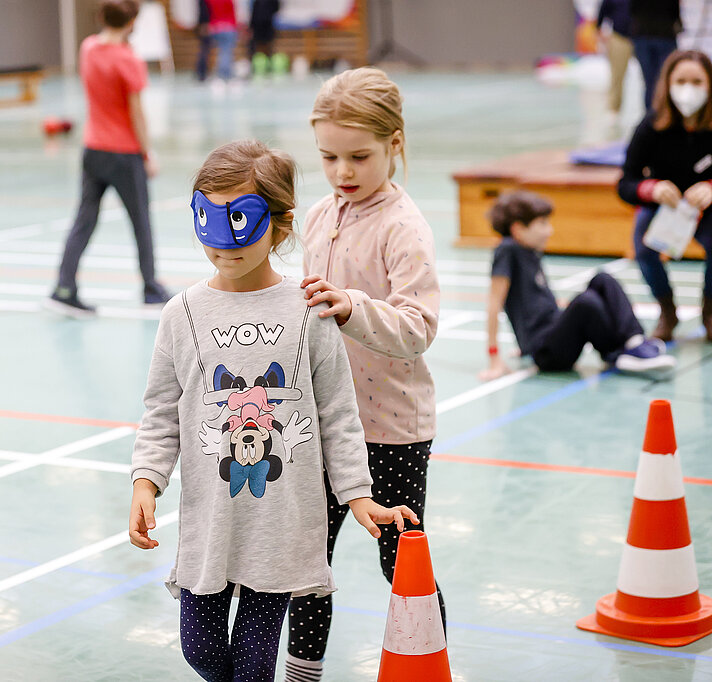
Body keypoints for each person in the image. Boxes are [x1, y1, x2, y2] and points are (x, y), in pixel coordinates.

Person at [129, 139, 418, 682]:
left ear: (280, 226)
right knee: (201, 651)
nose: (223, 242)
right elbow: (161, 410)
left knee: (256, 667)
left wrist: (358, 496)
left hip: (282, 528)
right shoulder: (181, 314)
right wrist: (147, 481)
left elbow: (337, 413)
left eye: (240, 221)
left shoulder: (310, 310)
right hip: (211, 524)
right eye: (209, 221)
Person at [281, 67, 441, 682]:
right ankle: (302, 675)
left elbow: (418, 327)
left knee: (400, 562)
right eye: (327, 157)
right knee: (306, 563)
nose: (343, 172)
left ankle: (430, 664)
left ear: (394, 143)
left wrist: (351, 306)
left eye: (359, 156)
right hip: (318, 428)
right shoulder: (321, 215)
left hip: (390, 428)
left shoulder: (405, 228)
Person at [48, 0, 169, 315]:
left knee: (84, 220)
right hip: (124, 153)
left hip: (93, 149)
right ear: (132, 23)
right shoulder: (129, 60)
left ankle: (64, 286)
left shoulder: (88, 48)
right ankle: (151, 287)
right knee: (140, 221)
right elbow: (137, 113)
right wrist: (148, 152)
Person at [479, 191, 676, 381]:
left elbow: (531, 302)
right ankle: (617, 354)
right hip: (547, 353)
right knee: (585, 302)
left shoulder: (529, 251)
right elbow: (495, 302)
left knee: (603, 279)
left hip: (552, 332)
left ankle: (635, 341)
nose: (549, 230)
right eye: (542, 223)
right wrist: (494, 356)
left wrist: (523, 344)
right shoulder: (507, 250)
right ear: (518, 229)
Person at [619, 49, 712, 341]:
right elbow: (626, 182)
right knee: (643, 245)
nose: (688, 89)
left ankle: (710, 311)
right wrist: (651, 189)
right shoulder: (651, 125)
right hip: (665, 207)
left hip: (708, 208)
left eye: (697, 81)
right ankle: (667, 311)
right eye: (681, 80)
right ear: (667, 83)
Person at [628, 0, 680, 109]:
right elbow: (675, 13)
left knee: (651, 81)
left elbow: (633, 11)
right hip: (662, 37)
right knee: (661, 80)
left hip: (649, 37)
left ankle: (653, 114)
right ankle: (656, 114)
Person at [597, 0, 632, 119]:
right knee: (617, 74)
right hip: (620, 37)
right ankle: (613, 109)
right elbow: (603, 11)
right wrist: (599, 29)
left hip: (643, 36)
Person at [203, 0, 237, 85]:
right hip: (228, 27)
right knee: (226, 51)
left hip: (215, 28)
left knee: (221, 51)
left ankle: (221, 73)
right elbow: (232, 12)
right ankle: (225, 74)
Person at [248, 0, 279, 76]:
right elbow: (254, 14)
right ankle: (253, 65)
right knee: (254, 46)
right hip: (258, 26)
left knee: (269, 46)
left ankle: (270, 65)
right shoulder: (257, 2)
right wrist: (251, 27)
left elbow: (277, 9)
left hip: (267, 25)